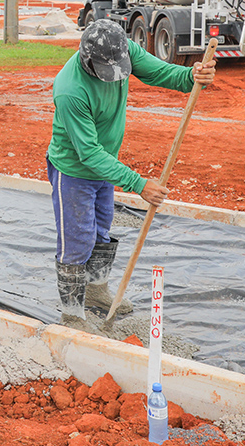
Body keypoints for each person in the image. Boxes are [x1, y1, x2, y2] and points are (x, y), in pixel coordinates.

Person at [46, 18, 215, 330]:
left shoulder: (118, 50)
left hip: (104, 165)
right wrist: (138, 184)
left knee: (101, 229)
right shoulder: (70, 90)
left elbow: (157, 71)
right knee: (77, 239)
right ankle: (71, 313)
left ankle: (96, 292)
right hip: (73, 170)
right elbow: (88, 153)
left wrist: (190, 76)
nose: (114, 79)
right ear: (87, 60)